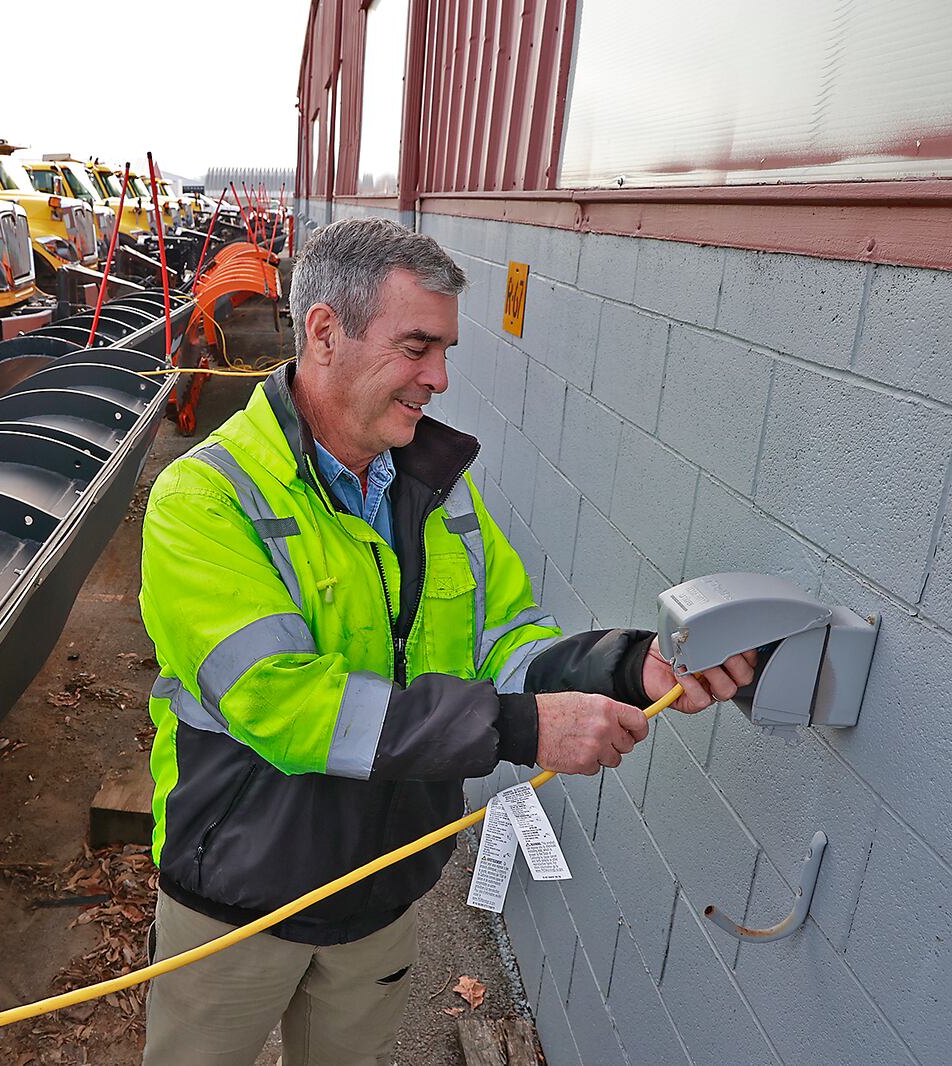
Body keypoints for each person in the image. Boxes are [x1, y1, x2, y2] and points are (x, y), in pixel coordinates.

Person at [137, 218, 755, 1065]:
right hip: (241, 895)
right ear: (325, 332)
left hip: (383, 890)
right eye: (417, 347)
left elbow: (506, 642)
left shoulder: (437, 491)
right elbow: (282, 703)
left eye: (445, 350)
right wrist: (517, 728)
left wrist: (625, 664)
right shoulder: (204, 500)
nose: (440, 378)